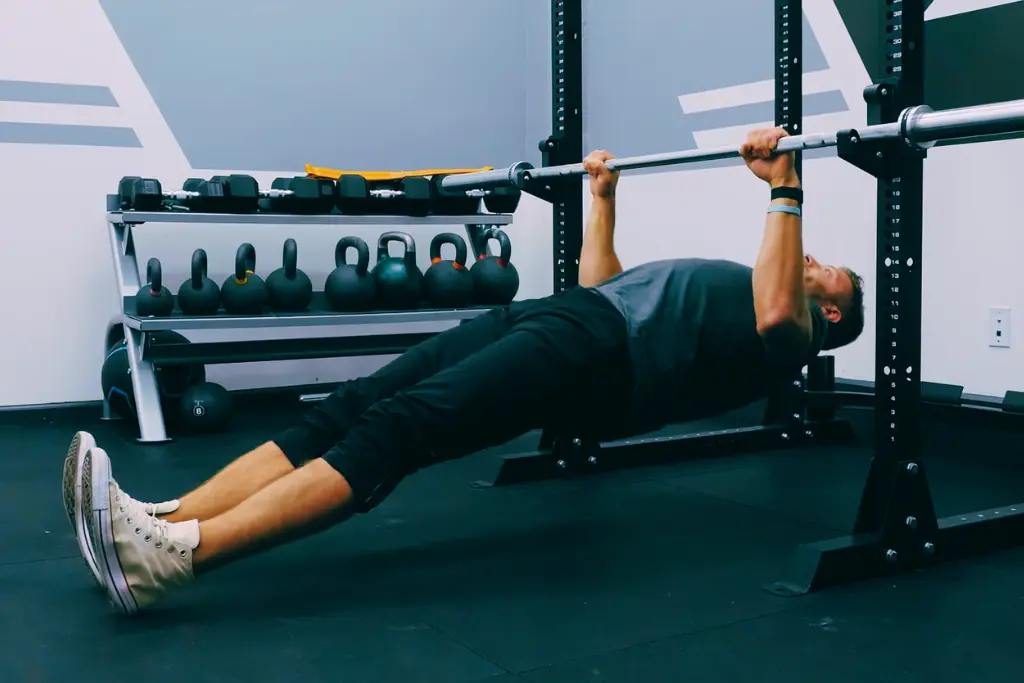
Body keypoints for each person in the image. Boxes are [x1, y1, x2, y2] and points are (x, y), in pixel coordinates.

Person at [65, 127, 866, 616]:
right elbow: (603, 284)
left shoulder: (787, 334)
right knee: (352, 405)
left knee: (398, 431)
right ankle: (162, 515)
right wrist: (604, 198)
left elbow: (773, 310)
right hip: (579, 318)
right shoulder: (760, 292)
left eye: (838, 275)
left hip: (600, 357)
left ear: (832, 315)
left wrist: (786, 184)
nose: (825, 264)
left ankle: (175, 558)